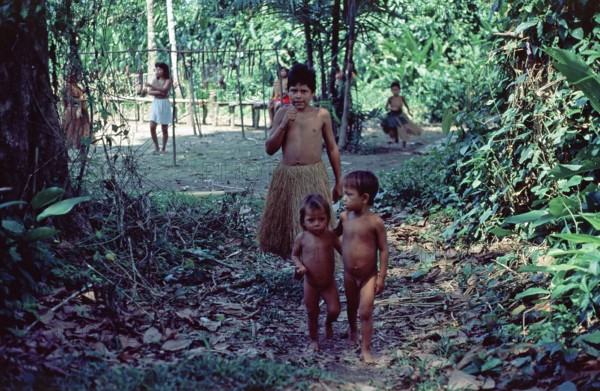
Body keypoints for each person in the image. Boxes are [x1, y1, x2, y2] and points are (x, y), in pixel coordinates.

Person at [257, 62, 342, 259]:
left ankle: (318, 259)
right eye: (294, 90)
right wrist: (284, 125)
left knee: (316, 220)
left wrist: (339, 181)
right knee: (292, 223)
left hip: (313, 175)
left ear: (312, 92)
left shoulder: (321, 115)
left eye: (304, 91)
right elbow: (270, 149)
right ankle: (297, 259)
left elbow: (332, 148)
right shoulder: (281, 113)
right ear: (287, 90)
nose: (298, 96)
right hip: (287, 176)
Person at [335, 170, 389, 363]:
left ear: (365, 198)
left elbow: (383, 250)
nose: (344, 199)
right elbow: (334, 235)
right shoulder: (343, 217)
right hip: (349, 273)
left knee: (365, 311)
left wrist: (381, 277)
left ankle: (366, 349)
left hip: (368, 275)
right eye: (344, 194)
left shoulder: (375, 222)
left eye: (349, 195)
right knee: (351, 306)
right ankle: (352, 330)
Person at [291, 194, 342, 351]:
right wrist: (299, 266)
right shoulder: (302, 237)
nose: (317, 224)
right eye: (311, 220)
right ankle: (314, 339)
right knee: (312, 312)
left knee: (335, 310)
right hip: (310, 283)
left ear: (328, 218)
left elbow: (343, 252)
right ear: (303, 222)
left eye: (322, 219)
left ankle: (328, 323)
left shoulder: (331, 236)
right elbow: (294, 255)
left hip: (328, 282)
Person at [380, 81, 423, 150]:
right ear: (391, 90)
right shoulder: (390, 99)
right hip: (392, 116)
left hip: (400, 115)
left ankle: (404, 145)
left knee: (402, 129)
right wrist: (390, 108)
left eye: (396, 90)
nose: (395, 91)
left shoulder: (402, 98)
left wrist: (409, 112)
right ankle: (395, 138)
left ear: (399, 90)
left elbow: (406, 105)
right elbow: (386, 107)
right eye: (393, 90)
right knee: (388, 127)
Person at [146, 62, 172, 154]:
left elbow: (165, 90)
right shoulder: (155, 80)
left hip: (164, 104)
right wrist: (159, 92)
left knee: (164, 128)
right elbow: (149, 92)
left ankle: (163, 148)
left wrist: (152, 87)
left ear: (164, 71)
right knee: (152, 126)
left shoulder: (168, 81)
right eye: (157, 69)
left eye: (160, 69)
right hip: (156, 103)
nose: (158, 71)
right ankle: (156, 146)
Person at [62, 71, 91, 150]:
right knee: (72, 127)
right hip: (73, 110)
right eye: (75, 76)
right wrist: (80, 101)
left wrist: (84, 91)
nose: (77, 78)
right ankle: (71, 144)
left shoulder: (76, 86)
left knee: (80, 126)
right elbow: (69, 99)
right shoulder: (67, 86)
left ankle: (79, 143)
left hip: (80, 109)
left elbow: (80, 94)